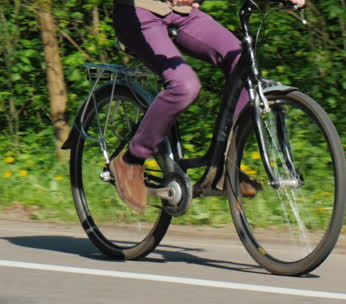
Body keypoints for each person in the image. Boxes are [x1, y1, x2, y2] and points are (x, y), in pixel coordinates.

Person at [110, 0, 306, 212]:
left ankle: (222, 168)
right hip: (139, 11)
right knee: (185, 86)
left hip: (182, 13)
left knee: (242, 63)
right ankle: (131, 160)